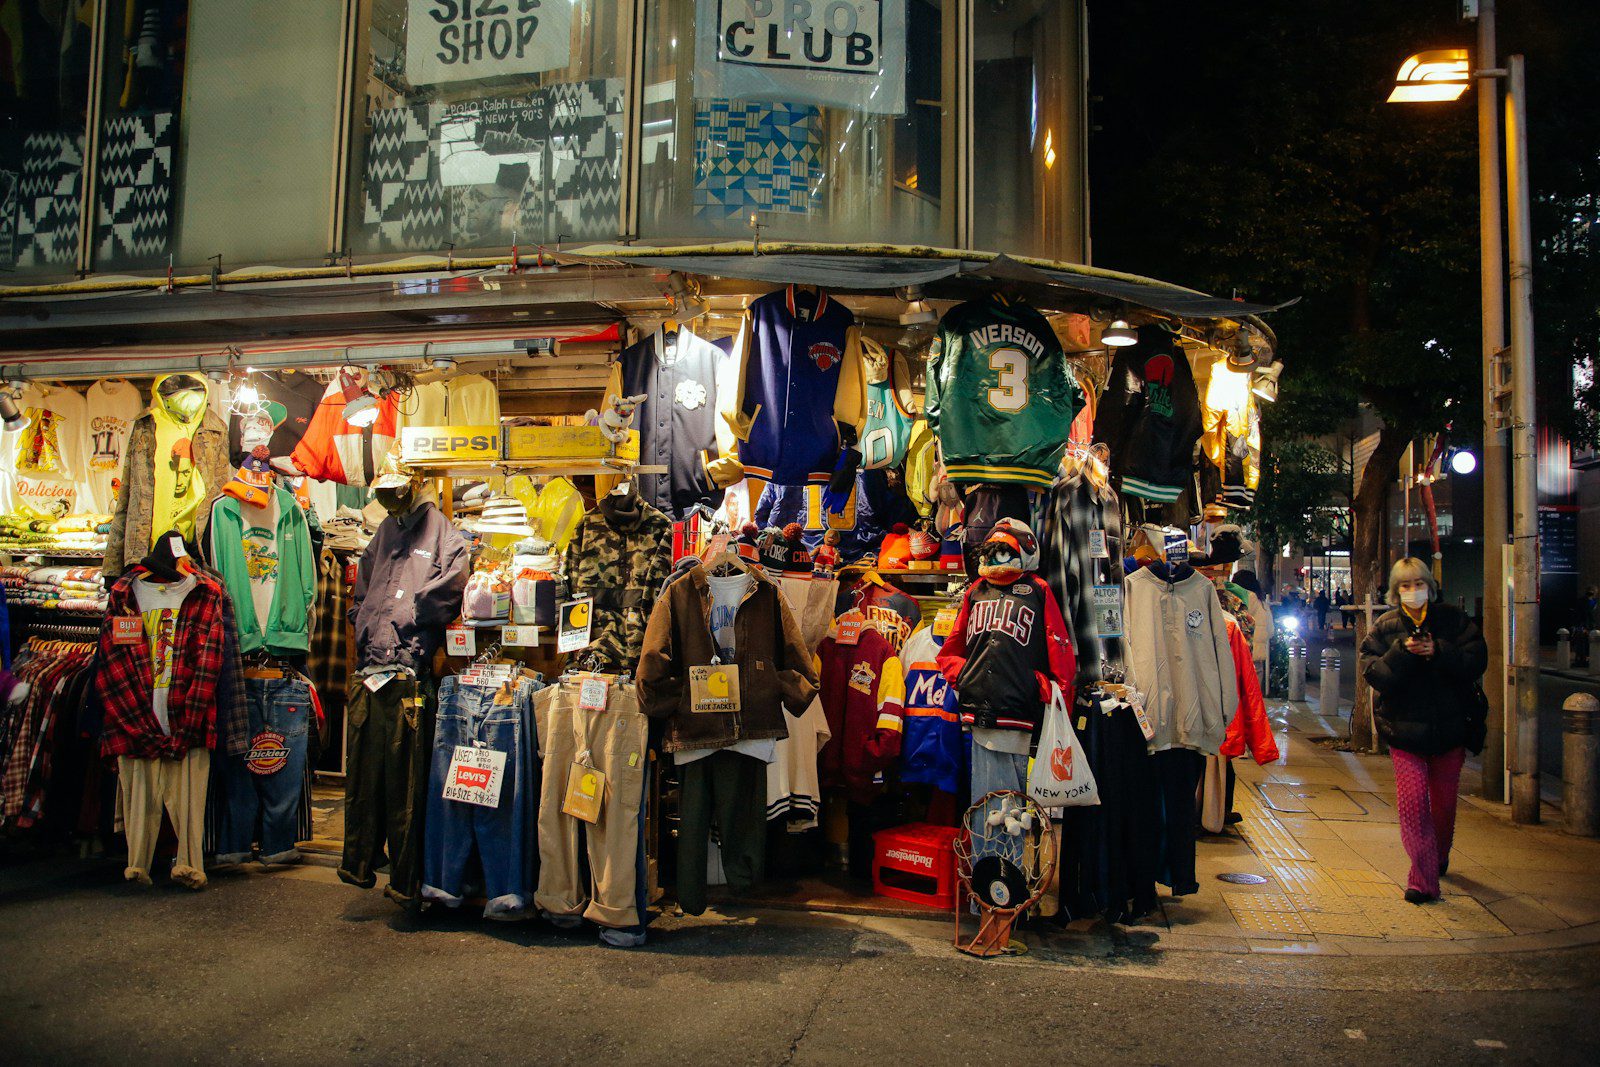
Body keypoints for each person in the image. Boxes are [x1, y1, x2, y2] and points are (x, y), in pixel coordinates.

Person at [1358, 558, 1488, 905]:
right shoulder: (1386, 627)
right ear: (1395, 591)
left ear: (1430, 586)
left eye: (1418, 584)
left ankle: (1438, 854)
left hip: (1450, 730)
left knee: (1443, 808)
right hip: (1404, 731)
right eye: (1404, 585)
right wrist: (1402, 652)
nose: (1412, 591)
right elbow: (1374, 672)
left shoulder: (1453, 621)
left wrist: (1439, 651)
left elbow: (1476, 660)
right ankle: (1423, 878)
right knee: (1414, 804)